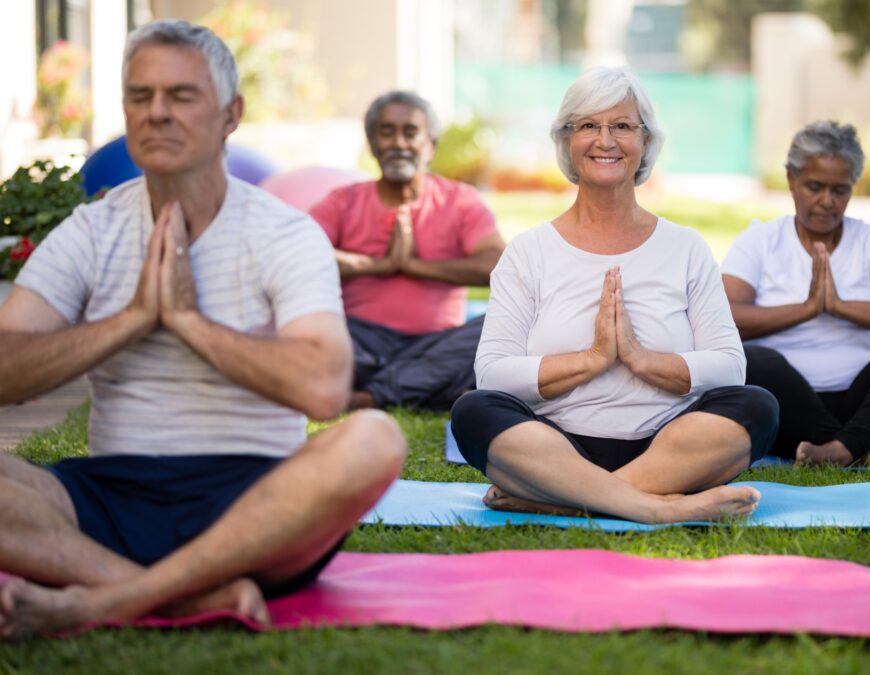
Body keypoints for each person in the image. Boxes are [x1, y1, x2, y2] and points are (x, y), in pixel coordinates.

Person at [0, 20, 406, 640]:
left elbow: (325, 388)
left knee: (375, 438)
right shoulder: (91, 229)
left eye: (181, 96)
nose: (157, 113)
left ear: (230, 114)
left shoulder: (284, 233)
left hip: (255, 508)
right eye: (141, 96)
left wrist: (189, 321)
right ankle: (182, 599)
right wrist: (132, 320)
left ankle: (108, 598)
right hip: (110, 499)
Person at [449, 67, 778, 524]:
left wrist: (642, 359)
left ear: (645, 142)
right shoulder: (528, 252)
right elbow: (493, 373)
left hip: (667, 442)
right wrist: (594, 358)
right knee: (473, 411)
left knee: (758, 405)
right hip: (557, 441)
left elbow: (730, 363)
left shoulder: (685, 248)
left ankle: (564, 499)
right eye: (588, 125)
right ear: (566, 141)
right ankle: (657, 507)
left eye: (622, 126)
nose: (605, 140)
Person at [721, 120, 870, 468]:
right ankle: (864, 453)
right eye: (815, 187)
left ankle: (841, 448)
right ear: (791, 180)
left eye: (840, 190)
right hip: (787, 408)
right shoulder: (760, 241)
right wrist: (806, 309)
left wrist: (838, 306)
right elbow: (723, 317)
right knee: (750, 361)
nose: (826, 202)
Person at [309, 91, 506, 411]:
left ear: (431, 145)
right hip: (359, 341)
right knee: (306, 323)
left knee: (499, 326)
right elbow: (297, 252)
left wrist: (414, 265)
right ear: (372, 144)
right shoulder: (342, 201)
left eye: (410, 132)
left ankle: (370, 394)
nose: (399, 143)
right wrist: (376, 265)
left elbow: (498, 265)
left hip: (438, 345)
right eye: (386, 132)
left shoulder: (461, 200)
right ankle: (422, 386)